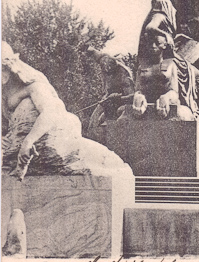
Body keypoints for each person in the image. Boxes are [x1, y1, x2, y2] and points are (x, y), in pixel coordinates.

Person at [2, 42, 130, 180]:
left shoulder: (35, 86)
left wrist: (28, 141)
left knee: (111, 166)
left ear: (7, 69)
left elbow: (50, 112)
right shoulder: (4, 96)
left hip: (59, 142)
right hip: (24, 149)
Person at [135, 0, 199, 120]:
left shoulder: (163, 17)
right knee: (197, 74)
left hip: (168, 52)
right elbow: (150, 28)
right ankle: (196, 104)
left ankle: (198, 103)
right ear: (167, 8)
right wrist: (165, 35)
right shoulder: (160, 15)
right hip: (167, 54)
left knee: (196, 74)